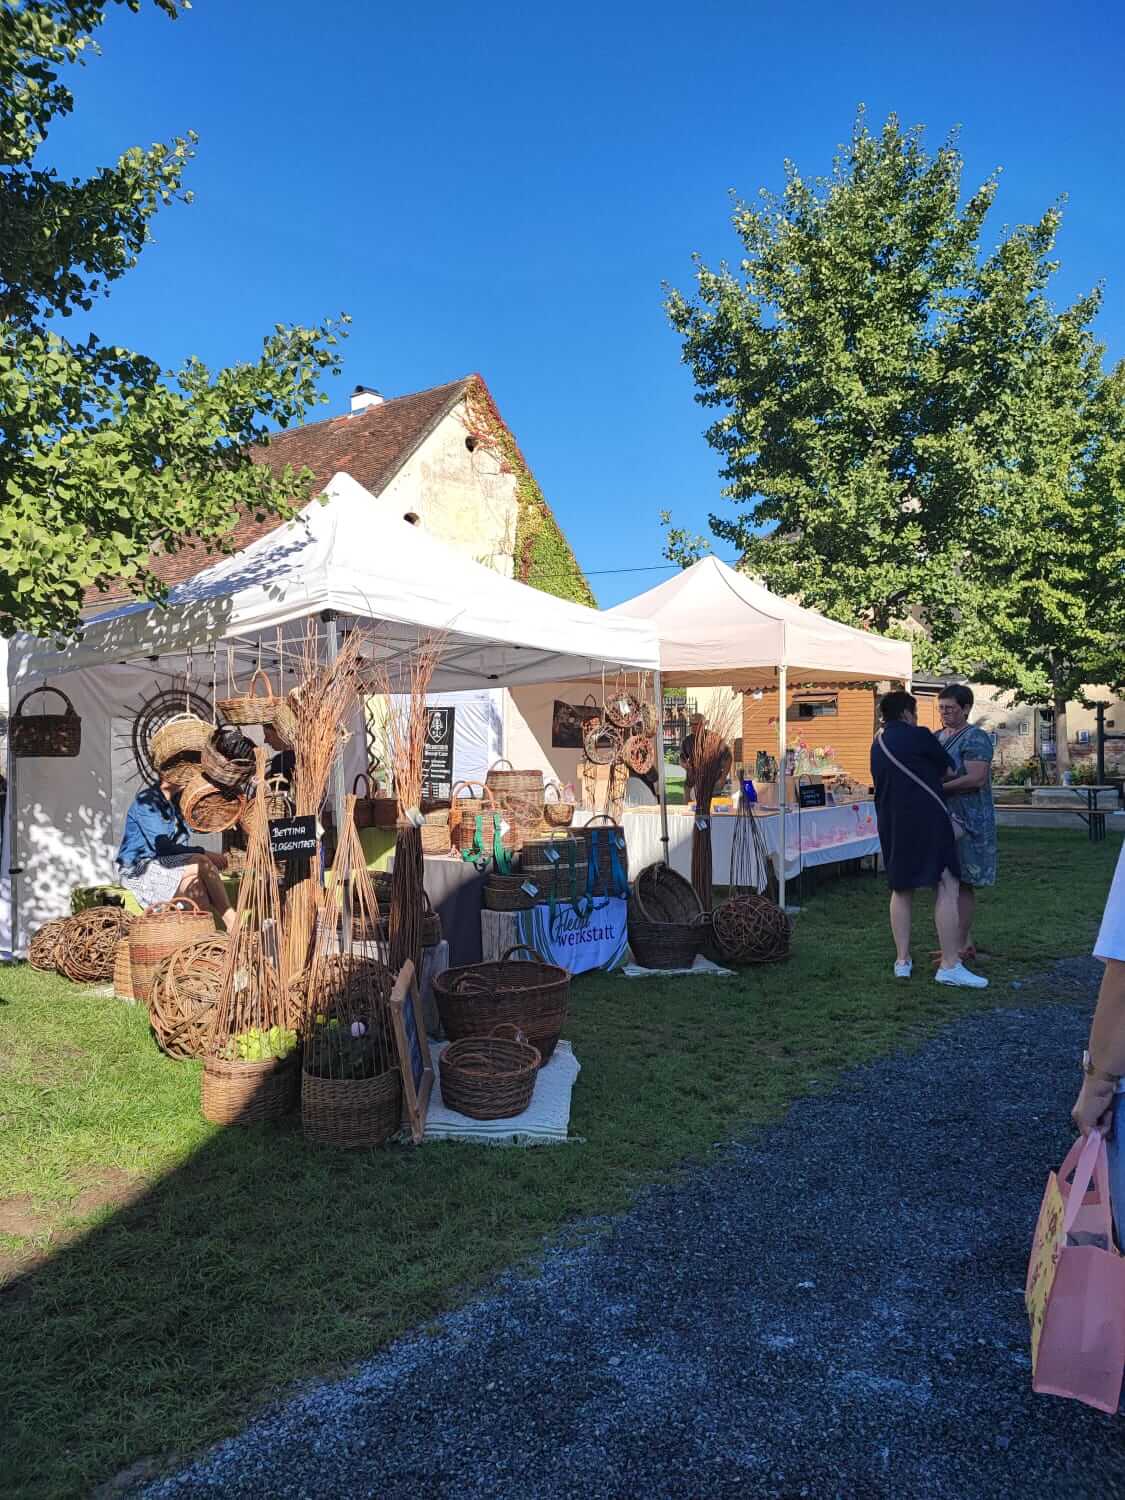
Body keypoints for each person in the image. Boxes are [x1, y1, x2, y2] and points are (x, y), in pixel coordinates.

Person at [870, 690, 988, 989]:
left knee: (901, 888)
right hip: (928, 817)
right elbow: (948, 770)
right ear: (907, 713)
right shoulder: (921, 735)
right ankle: (950, 964)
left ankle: (902, 961)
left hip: (891, 820)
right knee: (947, 883)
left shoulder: (877, 742)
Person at [116, 775, 235, 929]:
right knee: (202, 862)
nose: (187, 777)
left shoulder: (177, 804)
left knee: (196, 885)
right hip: (138, 869)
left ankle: (201, 937)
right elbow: (165, 848)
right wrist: (205, 853)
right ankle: (232, 921)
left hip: (165, 865)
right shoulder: (147, 802)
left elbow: (186, 842)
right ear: (166, 774)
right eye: (182, 773)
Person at [937, 684, 997, 962]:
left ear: (966, 708)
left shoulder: (976, 738)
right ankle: (959, 942)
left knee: (963, 881)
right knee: (946, 880)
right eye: (941, 708)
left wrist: (940, 787)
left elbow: (976, 778)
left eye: (950, 708)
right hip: (943, 817)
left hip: (970, 818)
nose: (944, 713)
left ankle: (960, 945)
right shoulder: (937, 737)